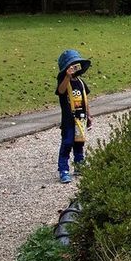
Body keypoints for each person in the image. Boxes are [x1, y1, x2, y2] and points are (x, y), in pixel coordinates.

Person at [55, 49, 92, 184]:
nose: (74, 68)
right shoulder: (64, 80)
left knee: (79, 142)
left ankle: (79, 164)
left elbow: (85, 98)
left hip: (81, 118)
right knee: (67, 143)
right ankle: (63, 169)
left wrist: (89, 115)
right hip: (69, 120)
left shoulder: (80, 82)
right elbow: (61, 90)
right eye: (71, 65)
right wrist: (67, 76)